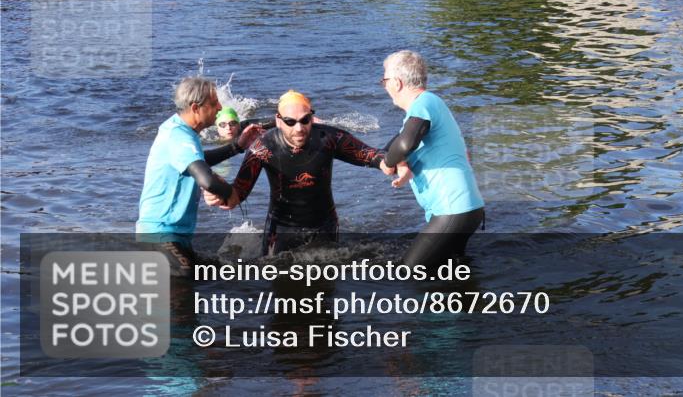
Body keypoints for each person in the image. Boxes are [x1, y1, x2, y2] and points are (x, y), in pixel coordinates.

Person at [208, 90, 387, 257]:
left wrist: (389, 162)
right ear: (278, 121)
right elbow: (238, 193)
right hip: (281, 228)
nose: (299, 128)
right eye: (290, 122)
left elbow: (370, 155)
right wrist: (218, 192)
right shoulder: (263, 148)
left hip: (324, 224)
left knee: (327, 282)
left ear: (312, 118)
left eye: (305, 120)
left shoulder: (329, 139)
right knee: (276, 277)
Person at [136, 76, 263, 277]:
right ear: (196, 108)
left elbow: (200, 160)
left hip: (175, 236)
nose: (220, 107)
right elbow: (206, 179)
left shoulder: (179, 129)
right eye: (214, 103)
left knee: (226, 271)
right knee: (183, 282)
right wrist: (231, 193)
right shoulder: (178, 137)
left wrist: (237, 147)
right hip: (159, 234)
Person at [379, 50, 485, 269]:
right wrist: (397, 161)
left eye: (384, 80)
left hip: (453, 210)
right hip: (466, 209)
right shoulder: (428, 107)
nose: (384, 86)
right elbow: (394, 146)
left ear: (397, 83)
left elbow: (405, 145)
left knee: (410, 271)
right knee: (450, 274)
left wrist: (390, 163)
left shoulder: (424, 104)